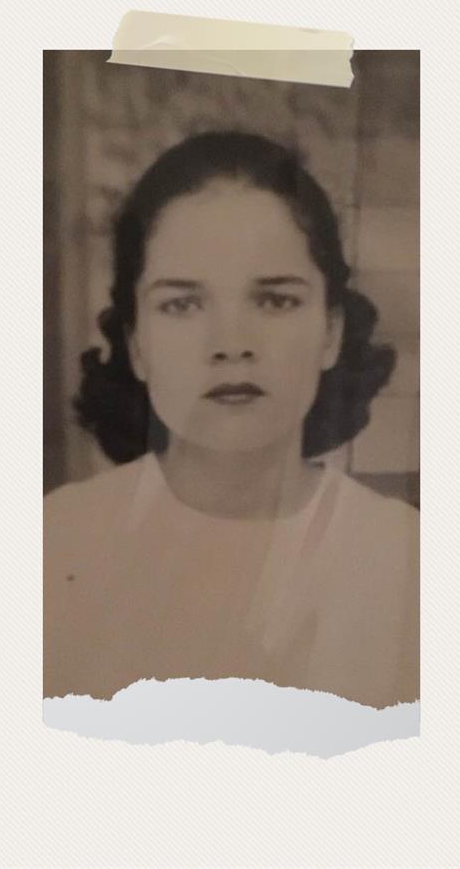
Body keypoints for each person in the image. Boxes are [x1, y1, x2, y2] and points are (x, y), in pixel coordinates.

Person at [44, 130, 419, 709]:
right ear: (136, 343)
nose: (231, 344)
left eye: (274, 300)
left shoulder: (412, 563)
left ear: (331, 331)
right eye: (183, 304)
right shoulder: (47, 546)